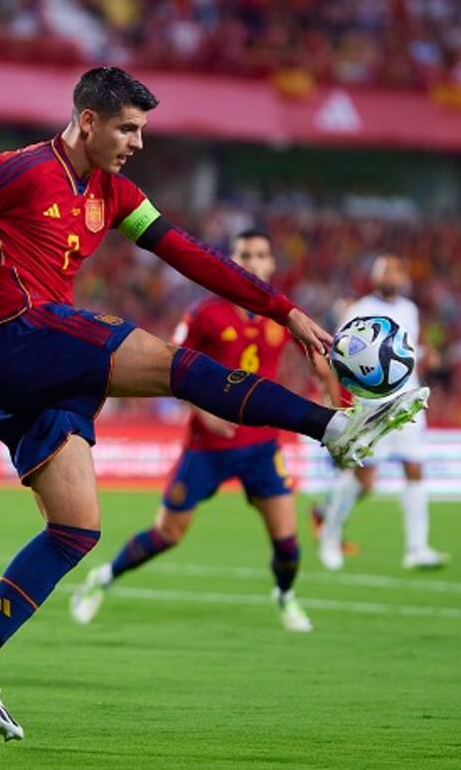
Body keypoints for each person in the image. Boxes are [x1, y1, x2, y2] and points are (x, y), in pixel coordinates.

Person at [0, 67, 428, 741]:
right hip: (18, 334)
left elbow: (190, 254)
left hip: (40, 370)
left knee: (76, 528)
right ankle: (334, 427)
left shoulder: (115, 194)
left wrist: (283, 309)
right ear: (88, 121)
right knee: (177, 366)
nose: (138, 143)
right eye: (127, 128)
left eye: (142, 130)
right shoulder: (20, 170)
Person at [69, 230, 342, 634]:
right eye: (245, 254)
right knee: (167, 533)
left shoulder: (284, 315)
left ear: (271, 264)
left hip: (262, 446)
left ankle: (285, 597)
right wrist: (204, 412)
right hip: (207, 446)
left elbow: (318, 365)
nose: (254, 262)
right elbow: (169, 367)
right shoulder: (204, 314)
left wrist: (336, 404)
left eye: (261, 254)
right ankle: (103, 577)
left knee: (287, 542)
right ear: (232, 262)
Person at [315, 255, 447, 571]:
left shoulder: (410, 310)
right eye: (387, 270)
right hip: (373, 405)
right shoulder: (360, 310)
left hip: (408, 401)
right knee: (364, 479)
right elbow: (338, 356)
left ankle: (417, 549)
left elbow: (405, 350)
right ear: (375, 276)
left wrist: (426, 354)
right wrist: (335, 400)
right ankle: (330, 534)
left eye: (399, 271)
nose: (394, 276)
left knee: (415, 469)